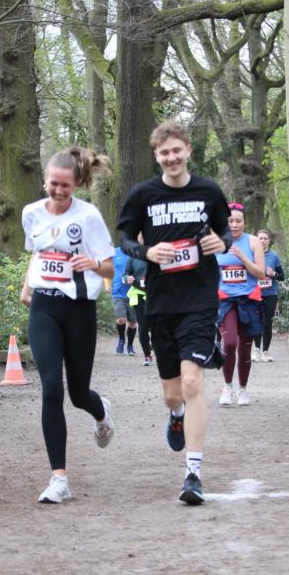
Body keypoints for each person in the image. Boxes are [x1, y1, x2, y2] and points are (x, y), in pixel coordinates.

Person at [117, 120, 232, 506]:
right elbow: (124, 238)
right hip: (161, 303)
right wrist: (147, 252)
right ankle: (176, 413)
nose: (171, 158)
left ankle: (193, 473)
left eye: (176, 150)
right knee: (172, 393)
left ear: (188, 151)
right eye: (164, 153)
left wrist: (221, 242)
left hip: (199, 299)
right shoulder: (144, 195)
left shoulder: (208, 191)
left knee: (193, 381)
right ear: (157, 156)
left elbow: (225, 232)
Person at [20, 146, 116, 505]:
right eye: (53, 184)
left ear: (77, 183)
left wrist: (92, 264)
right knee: (51, 389)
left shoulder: (88, 216)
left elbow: (110, 266)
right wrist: (27, 288)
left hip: (79, 310)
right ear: (45, 180)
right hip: (44, 307)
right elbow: (38, 253)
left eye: (65, 185)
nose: (58, 191)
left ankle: (101, 412)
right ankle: (58, 478)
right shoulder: (31, 213)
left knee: (78, 394)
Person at [216, 202, 266, 406]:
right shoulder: (216, 242)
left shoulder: (253, 242)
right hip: (225, 300)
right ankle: (227, 386)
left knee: (245, 349)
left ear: (245, 223)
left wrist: (243, 258)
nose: (234, 225)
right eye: (230, 221)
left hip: (249, 301)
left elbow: (261, 273)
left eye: (238, 221)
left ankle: (243, 389)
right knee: (229, 343)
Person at [252, 228, 285, 362]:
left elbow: (282, 276)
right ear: (256, 240)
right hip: (255, 294)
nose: (263, 241)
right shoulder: (251, 255)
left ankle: (265, 352)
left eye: (265, 238)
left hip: (271, 294)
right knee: (256, 322)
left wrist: (274, 274)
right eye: (260, 238)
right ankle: (256, 351)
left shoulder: (274, 256)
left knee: (267, 324)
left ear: (269, 241)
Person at [124, 250, 153, 366]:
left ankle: (160, 348)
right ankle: (147, 355)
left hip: (156, 294)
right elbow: (125, 275)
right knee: (143, 327)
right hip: (139, 294)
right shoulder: (133, 257)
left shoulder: (158, 252)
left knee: (158, 325)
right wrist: (127, 278)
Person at [111, 246, 138, 355]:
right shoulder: (114, 252)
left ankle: (130, 345)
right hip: (118, 292)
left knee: (132, 322)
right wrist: (107, 284)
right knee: (121, 319)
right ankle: (121, 339)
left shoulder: (137, 252)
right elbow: (106, 267)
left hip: (134, 292)